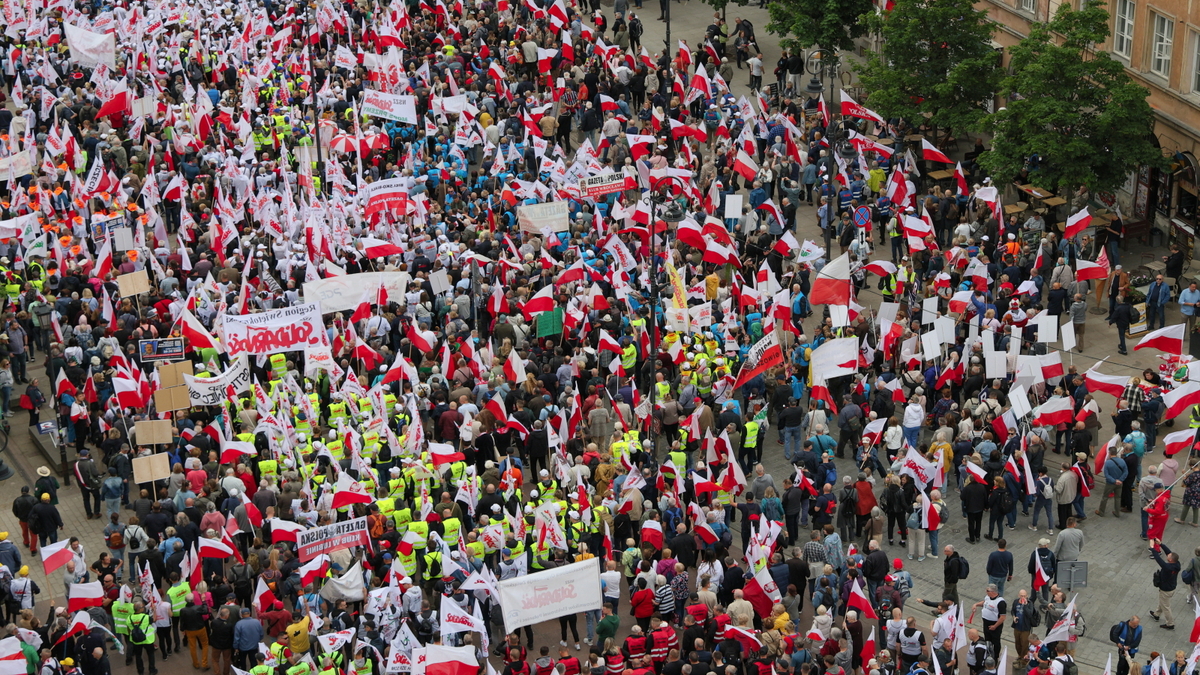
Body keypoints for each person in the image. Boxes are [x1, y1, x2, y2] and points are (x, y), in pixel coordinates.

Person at [1149, 539, 1181, 630]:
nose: (1168, 555)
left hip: (1166, 589)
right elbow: (1169, 552)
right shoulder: (1177, 564)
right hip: (1171, 587)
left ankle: (1170, 624)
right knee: (1163, 601)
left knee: (1166, 607)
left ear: (1170, 560)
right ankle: (1156, 614)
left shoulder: (1167, 567)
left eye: (1169, 556)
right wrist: (1161, 544)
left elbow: (1158, 559)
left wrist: (1152, 548)